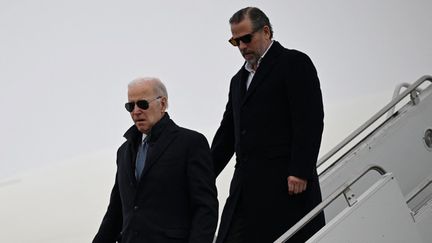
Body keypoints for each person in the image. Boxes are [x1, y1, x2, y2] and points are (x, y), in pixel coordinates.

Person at [211, 7, 325, 243]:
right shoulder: (238, 80)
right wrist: (202, 174)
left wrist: (300, 170)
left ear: (265, 31)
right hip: (245, 188)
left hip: (286, 186)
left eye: (246, 38)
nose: (242, 46)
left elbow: (309, 119)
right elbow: (227, 134)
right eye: (235, 41)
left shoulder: (293, 62)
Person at [93, 77, 218, 243]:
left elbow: (205, 208)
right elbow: (115, 212)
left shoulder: (190, 143)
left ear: (163, 104)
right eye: (130, 106)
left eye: (143, 104)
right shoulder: (123, 152)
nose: (136, 111)